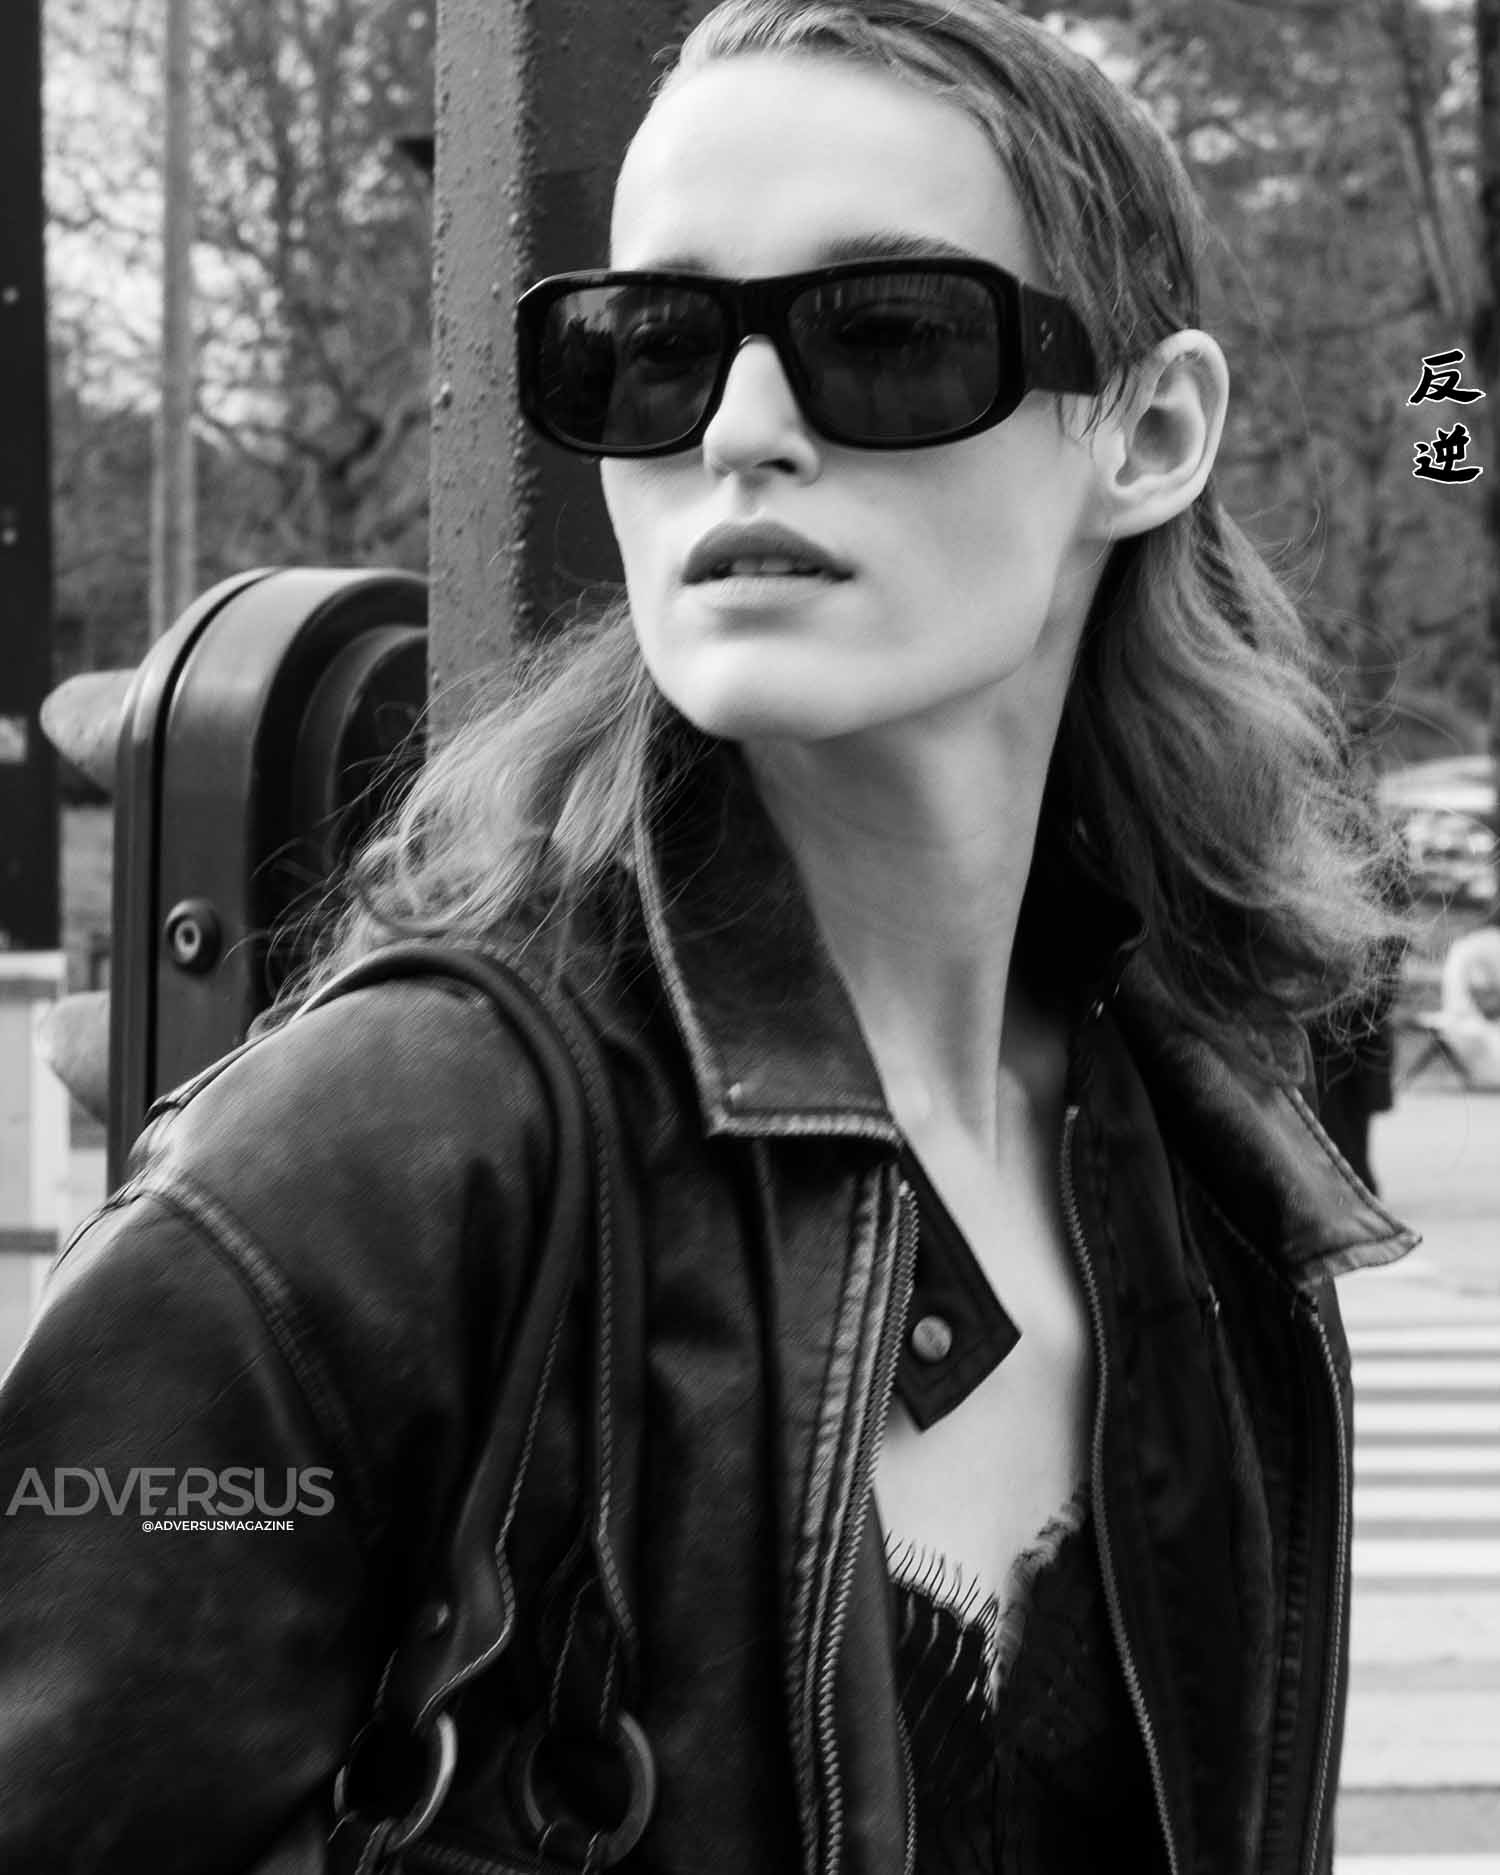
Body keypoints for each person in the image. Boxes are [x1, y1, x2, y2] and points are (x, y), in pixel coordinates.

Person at [0, 5, 1419, 1874]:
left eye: (886, 334)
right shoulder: (366, 1171)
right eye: (650, 349)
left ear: (1149, 435)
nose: (741, 432)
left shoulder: (1196, 1156)